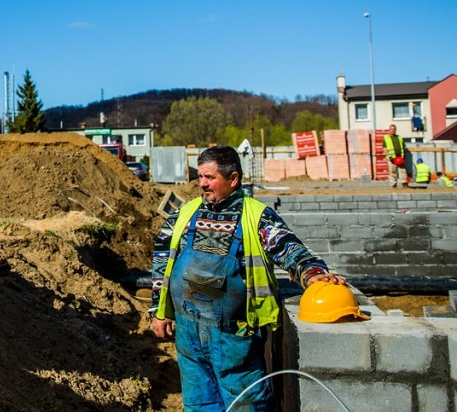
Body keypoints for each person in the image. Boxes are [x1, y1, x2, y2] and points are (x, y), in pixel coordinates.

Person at [150, 146, 346, 411]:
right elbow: (162, 259)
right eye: (200, 177)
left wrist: (313, 274)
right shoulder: (186, 214)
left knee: (245, 403)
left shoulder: (256, 216)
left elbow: (289, 249)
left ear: (233, 179)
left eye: (210, 177)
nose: (203, 184)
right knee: (198, 402)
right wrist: (158, 310)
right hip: (188, 330)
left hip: (234, 335)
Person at [383, 124, 407, 188]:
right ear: (389, 130)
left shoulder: (399, 137)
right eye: (391, 129)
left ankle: (404, 183)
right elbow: (384, 148)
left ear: (395, 130)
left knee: (402, 171)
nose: (393, 130)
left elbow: (403, 147)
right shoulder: (386, 138)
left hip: (400, 157)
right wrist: (389, 156)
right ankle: (393, 184)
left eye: (394, 129)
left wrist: (404, 155)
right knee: (392, 172)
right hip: (392, 158)